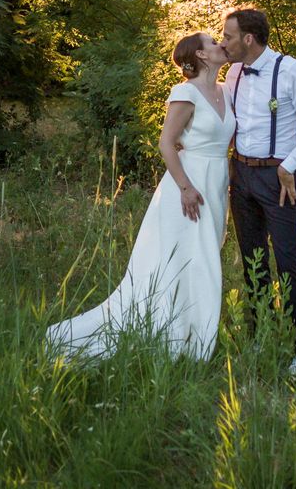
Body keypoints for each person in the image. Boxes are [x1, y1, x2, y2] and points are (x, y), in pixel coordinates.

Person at [46, 33, 234, 361]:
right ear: (202, 55)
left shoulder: (226, 91)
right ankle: (176, 336)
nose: (221, 45)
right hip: (187, 186)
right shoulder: (186, 93)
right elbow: (166, 143)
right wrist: (186, 188)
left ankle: (195, 333)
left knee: (204, 258)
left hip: (216, 183)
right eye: (213, 42)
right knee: (179, 259)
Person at [221, 9, 296, 377]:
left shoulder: (292, 71)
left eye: (228, 36)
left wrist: (289, 165)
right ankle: (262, 333)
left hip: (277, 179)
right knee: (253, 261)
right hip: (241, 176)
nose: (224, 42)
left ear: (248, 39)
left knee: (288, 261)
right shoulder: (233, 73)